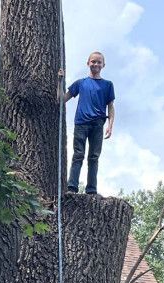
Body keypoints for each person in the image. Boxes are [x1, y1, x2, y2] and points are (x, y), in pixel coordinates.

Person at [58, 51, 115, 194]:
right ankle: (72, 187)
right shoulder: (81, 83)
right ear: (88, 63)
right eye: (93, 61)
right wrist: (59, 81)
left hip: (98, 124)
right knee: (78, 154)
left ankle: (91, 190)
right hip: (81, 123)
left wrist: (110, 125)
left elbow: (110, 106)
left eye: (99, 62)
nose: (96, 64)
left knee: (94, 157)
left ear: (103, 65)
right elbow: (61, 100)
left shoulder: (107, 85)